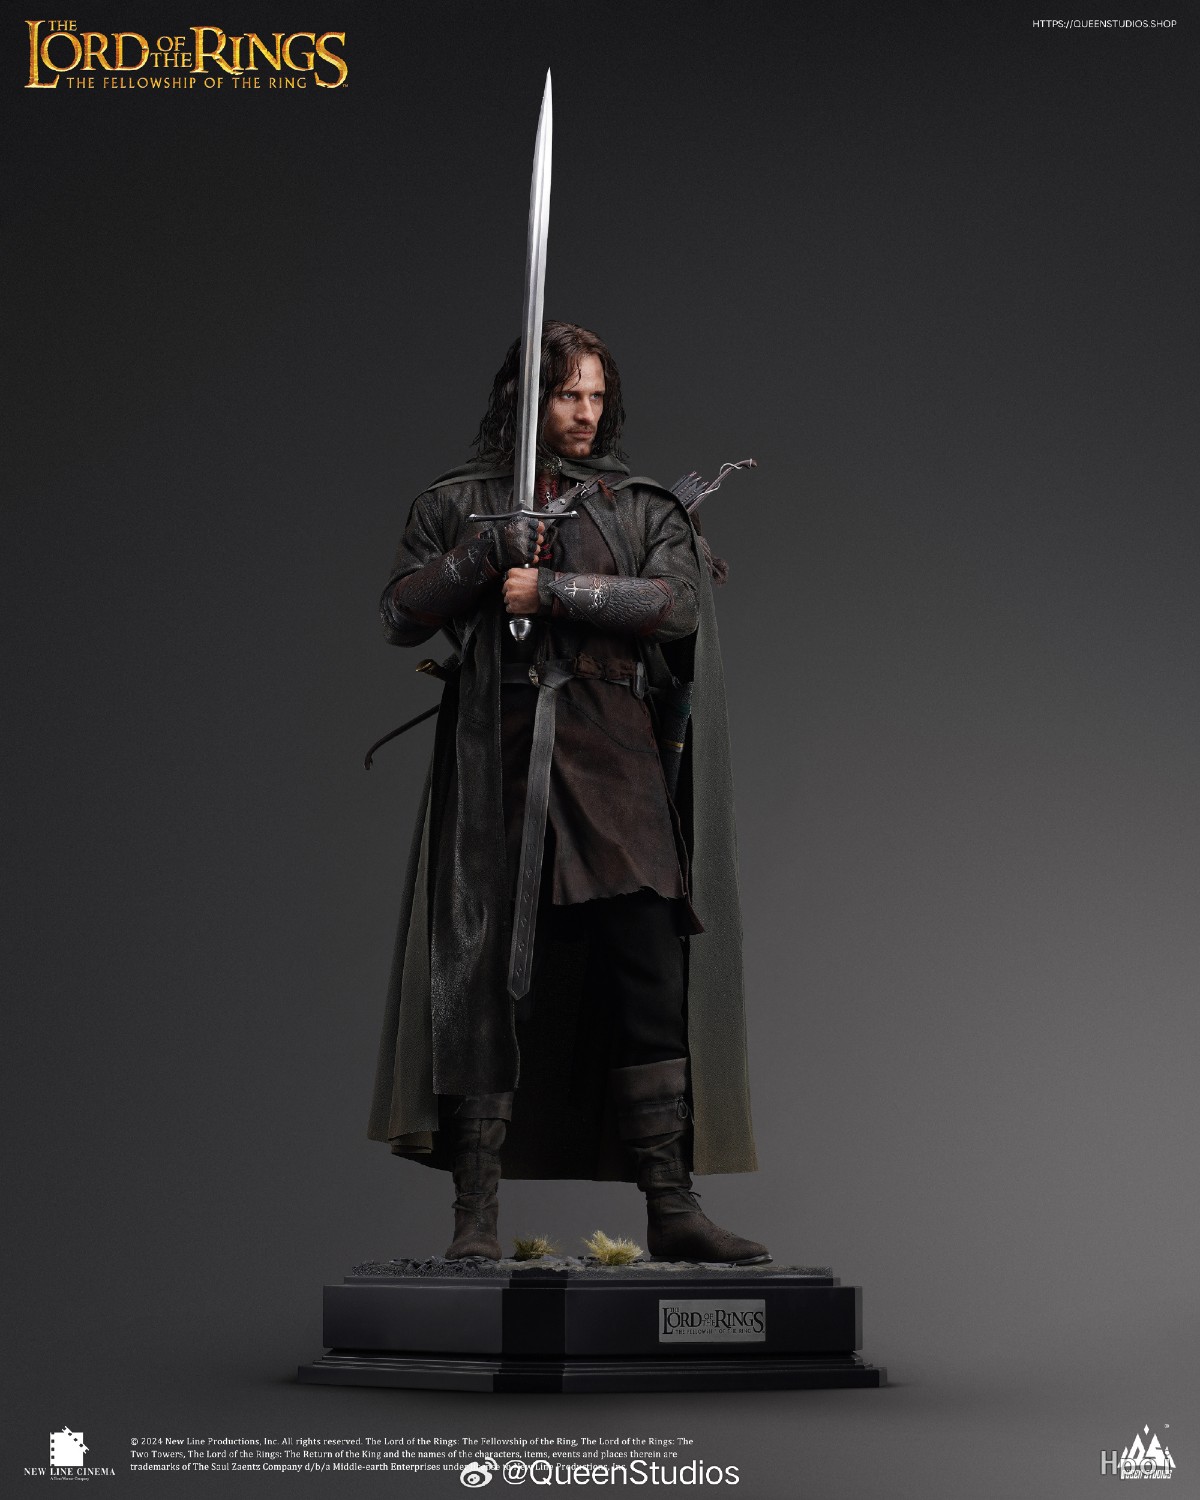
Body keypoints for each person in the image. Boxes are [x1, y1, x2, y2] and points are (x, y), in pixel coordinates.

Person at [367, 321, 767, 1265]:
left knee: (646, 972)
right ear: (525, 400)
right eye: (565, 395)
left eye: (594, 395)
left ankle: (671, 1205)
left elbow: (675, 606)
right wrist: (482, 556)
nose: (585, 413)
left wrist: (549, 589)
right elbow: (398, 613)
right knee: (482, 980)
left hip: (615, 755)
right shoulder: (457, 502)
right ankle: (474, 1217)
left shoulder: (643, 506)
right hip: (496, 755)